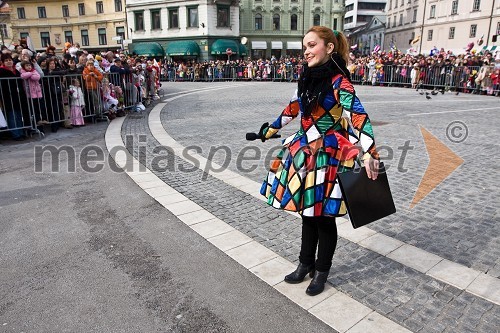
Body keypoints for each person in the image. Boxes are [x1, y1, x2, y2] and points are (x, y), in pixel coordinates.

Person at [258, 26, 380, 296]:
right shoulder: (306, 78)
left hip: (328, 155)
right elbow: (292, 108)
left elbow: (357, 116)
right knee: (308, 213)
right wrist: (269, 130)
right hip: (303, 152)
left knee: (323, 217)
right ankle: (304, 264)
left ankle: (321, 270)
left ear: (329, 47)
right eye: (305, 47)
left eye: (312, 45)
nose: (306, 51)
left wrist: (371, 152)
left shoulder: (340, 82)